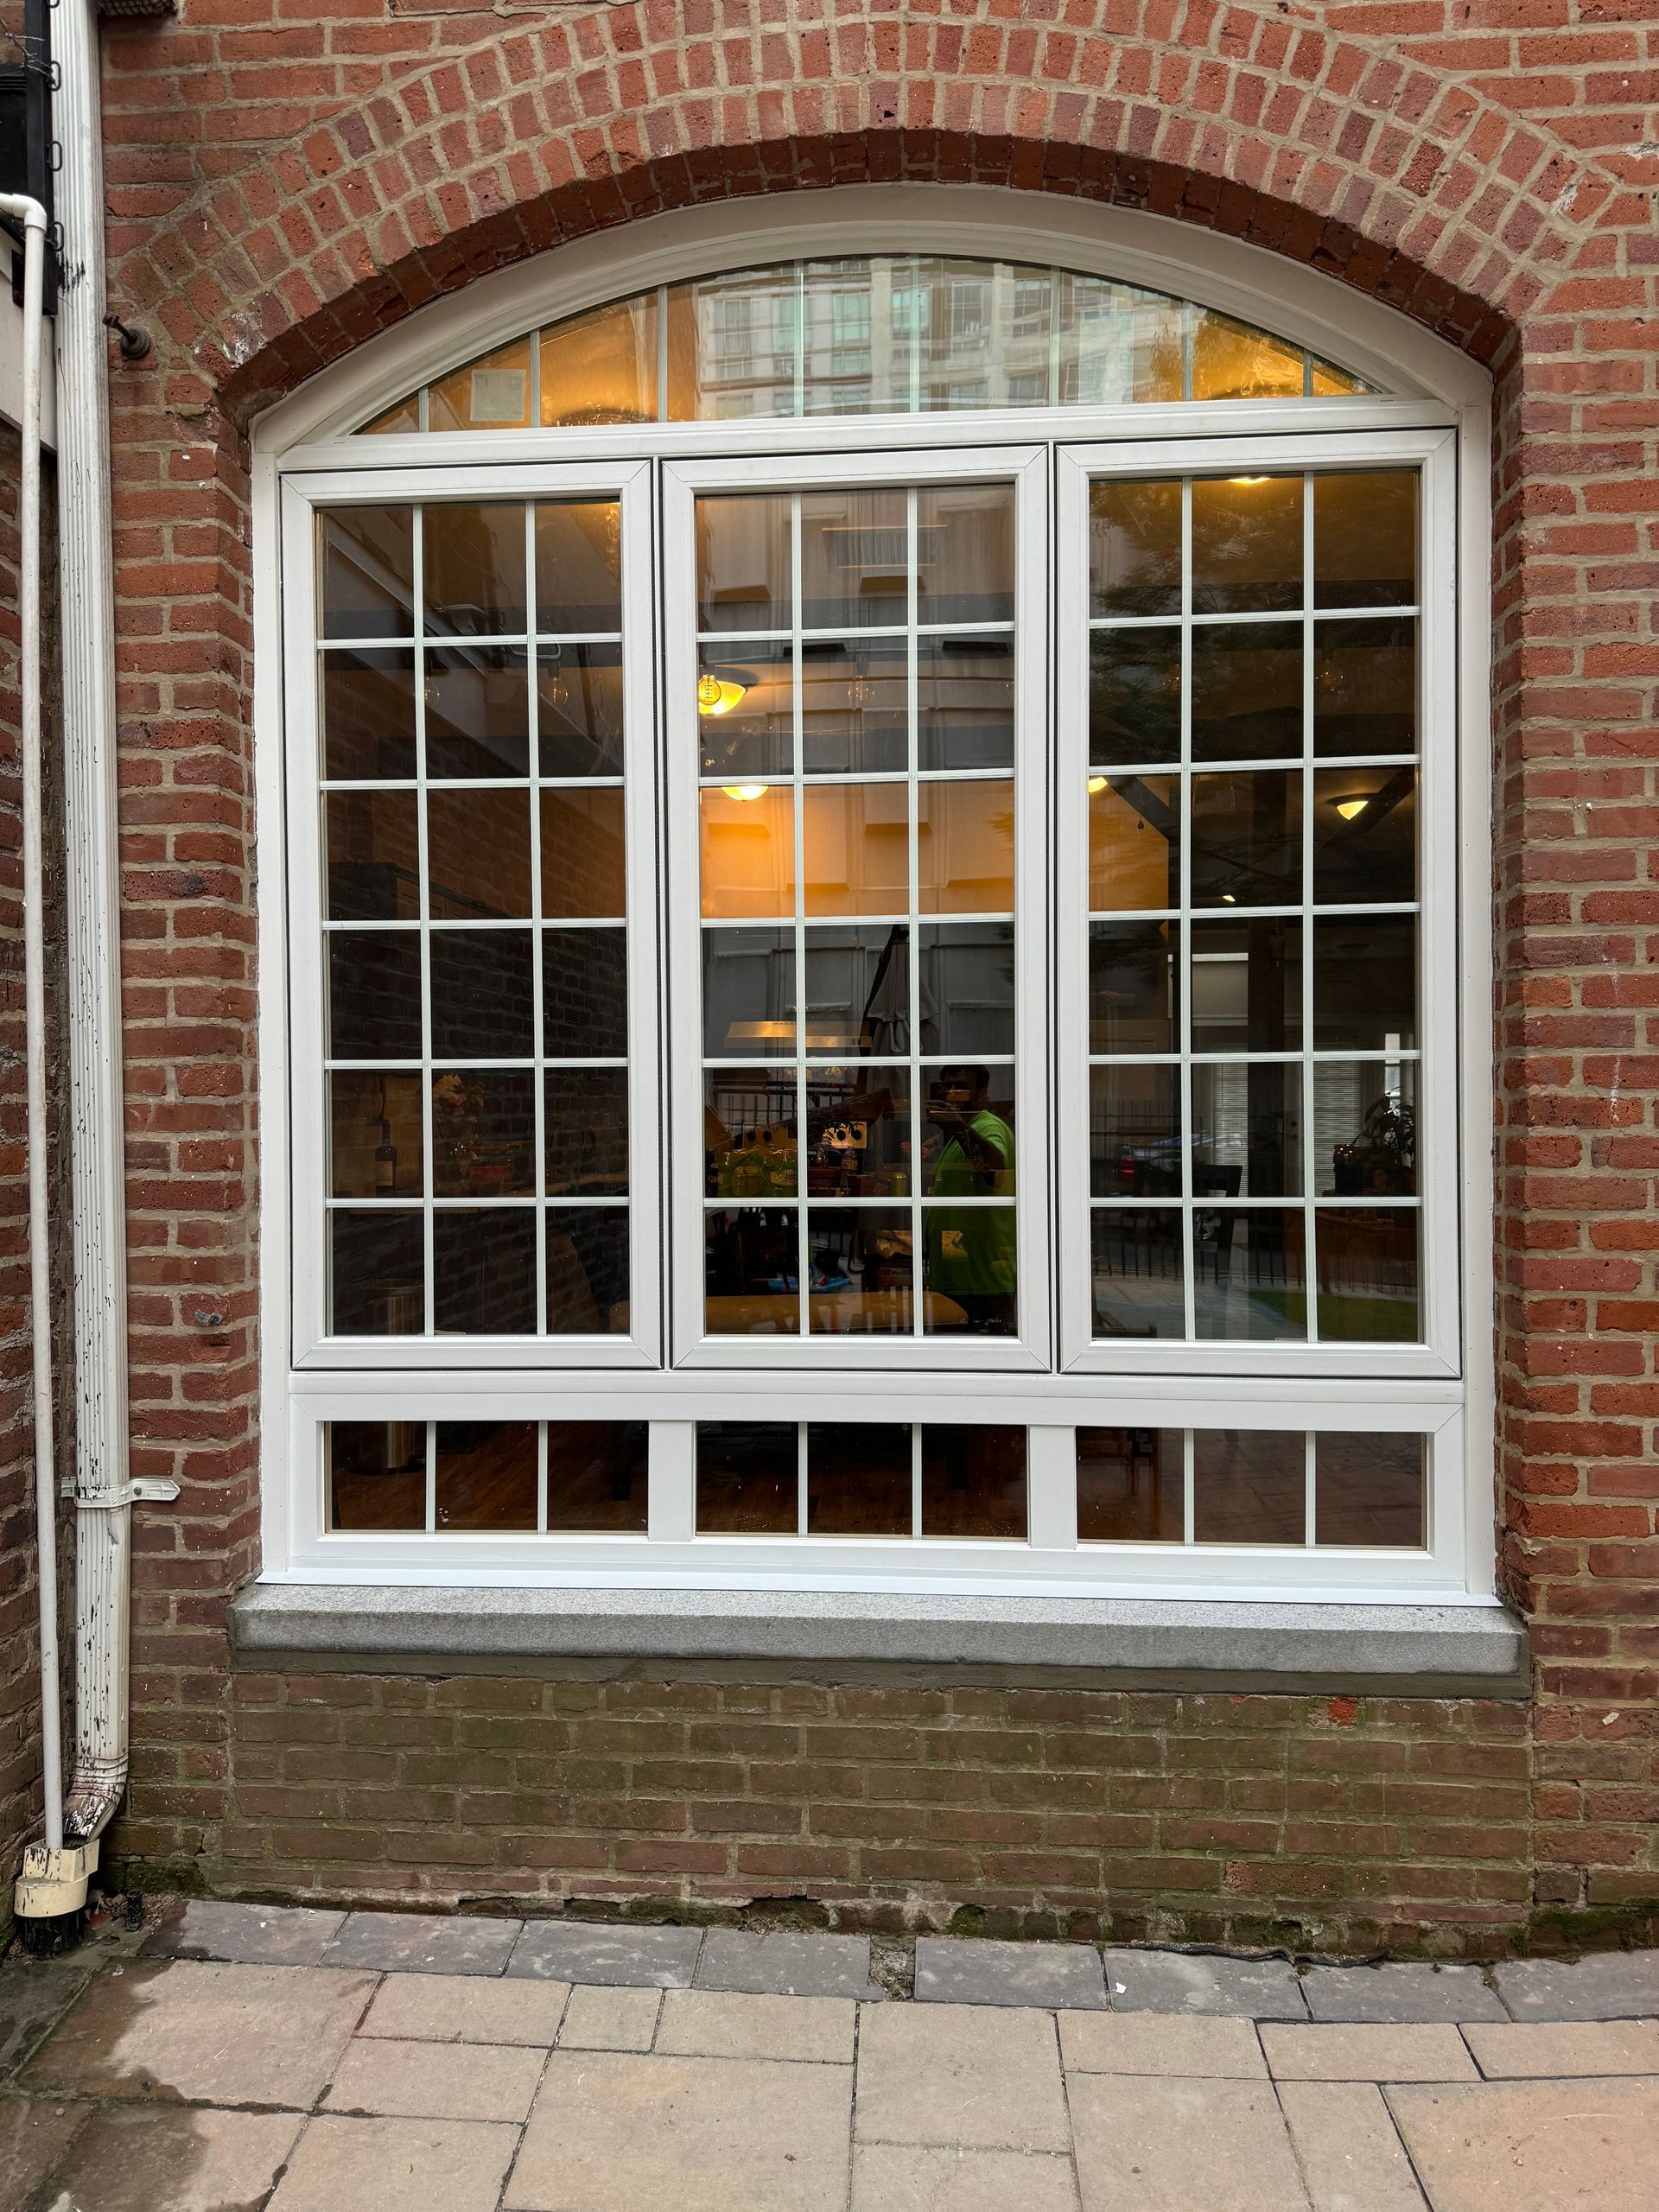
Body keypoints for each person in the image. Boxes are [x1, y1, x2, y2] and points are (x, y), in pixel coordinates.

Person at [924, 1065, 1016, 1333]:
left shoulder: (988, 1126)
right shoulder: (964, 1129)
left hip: (982, 1271)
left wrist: (958, 1127)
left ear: (983, 1093)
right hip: (961, 1258)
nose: (953, 1093)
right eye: (947, 1087)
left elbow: (993, 1168)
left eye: (961, 1086)